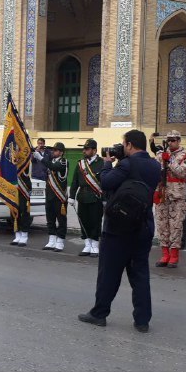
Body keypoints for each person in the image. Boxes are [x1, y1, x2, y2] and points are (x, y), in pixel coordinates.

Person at [78, 130, 160, 333]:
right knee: (140, 275)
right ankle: (142, 320)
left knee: (109, 273)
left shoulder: (127, 164)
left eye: (124, 144)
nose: (122, 147)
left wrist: (107, 164)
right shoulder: (155, 165)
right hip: (143, 226)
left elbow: (106, 182)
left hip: (118, 228)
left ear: (130, 145)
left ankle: (99, 314)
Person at [153, 130, 186, 268]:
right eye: (168, 140)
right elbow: (153, 170)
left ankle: (174, 256)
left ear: (179, 141)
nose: (170, 142)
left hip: (177, 196)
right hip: (162, 194)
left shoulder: (184, 156)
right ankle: (165, 254)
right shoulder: (160, 155)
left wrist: (168, 160)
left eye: (173, 140)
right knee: (162, 225)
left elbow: (182, 172)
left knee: (176, 226)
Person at [69, 139, 103, 257]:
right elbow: (74, 181)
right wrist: (71, 196)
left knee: (95, 221)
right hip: (82, 196)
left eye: (87, 149)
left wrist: (105, 199)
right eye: (84, 149)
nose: (84, 151)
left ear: (94, 150)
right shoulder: (80, 164)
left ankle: (94, 245)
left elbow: (105, 182)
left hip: (95, 197)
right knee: (83, 221)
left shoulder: (102, 163)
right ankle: (87, 244)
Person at [41, 142, 68, 252]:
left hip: (59, 197)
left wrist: (41, 159)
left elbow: (54, 167)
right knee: (50, 219)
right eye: (53, 150)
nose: (53, 152)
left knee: (61, 220)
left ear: (61, 152)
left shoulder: (64, 162)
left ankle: (60, 241)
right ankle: (51, 240)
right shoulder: (50, 161)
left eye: (56, 150)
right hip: (50, 196)